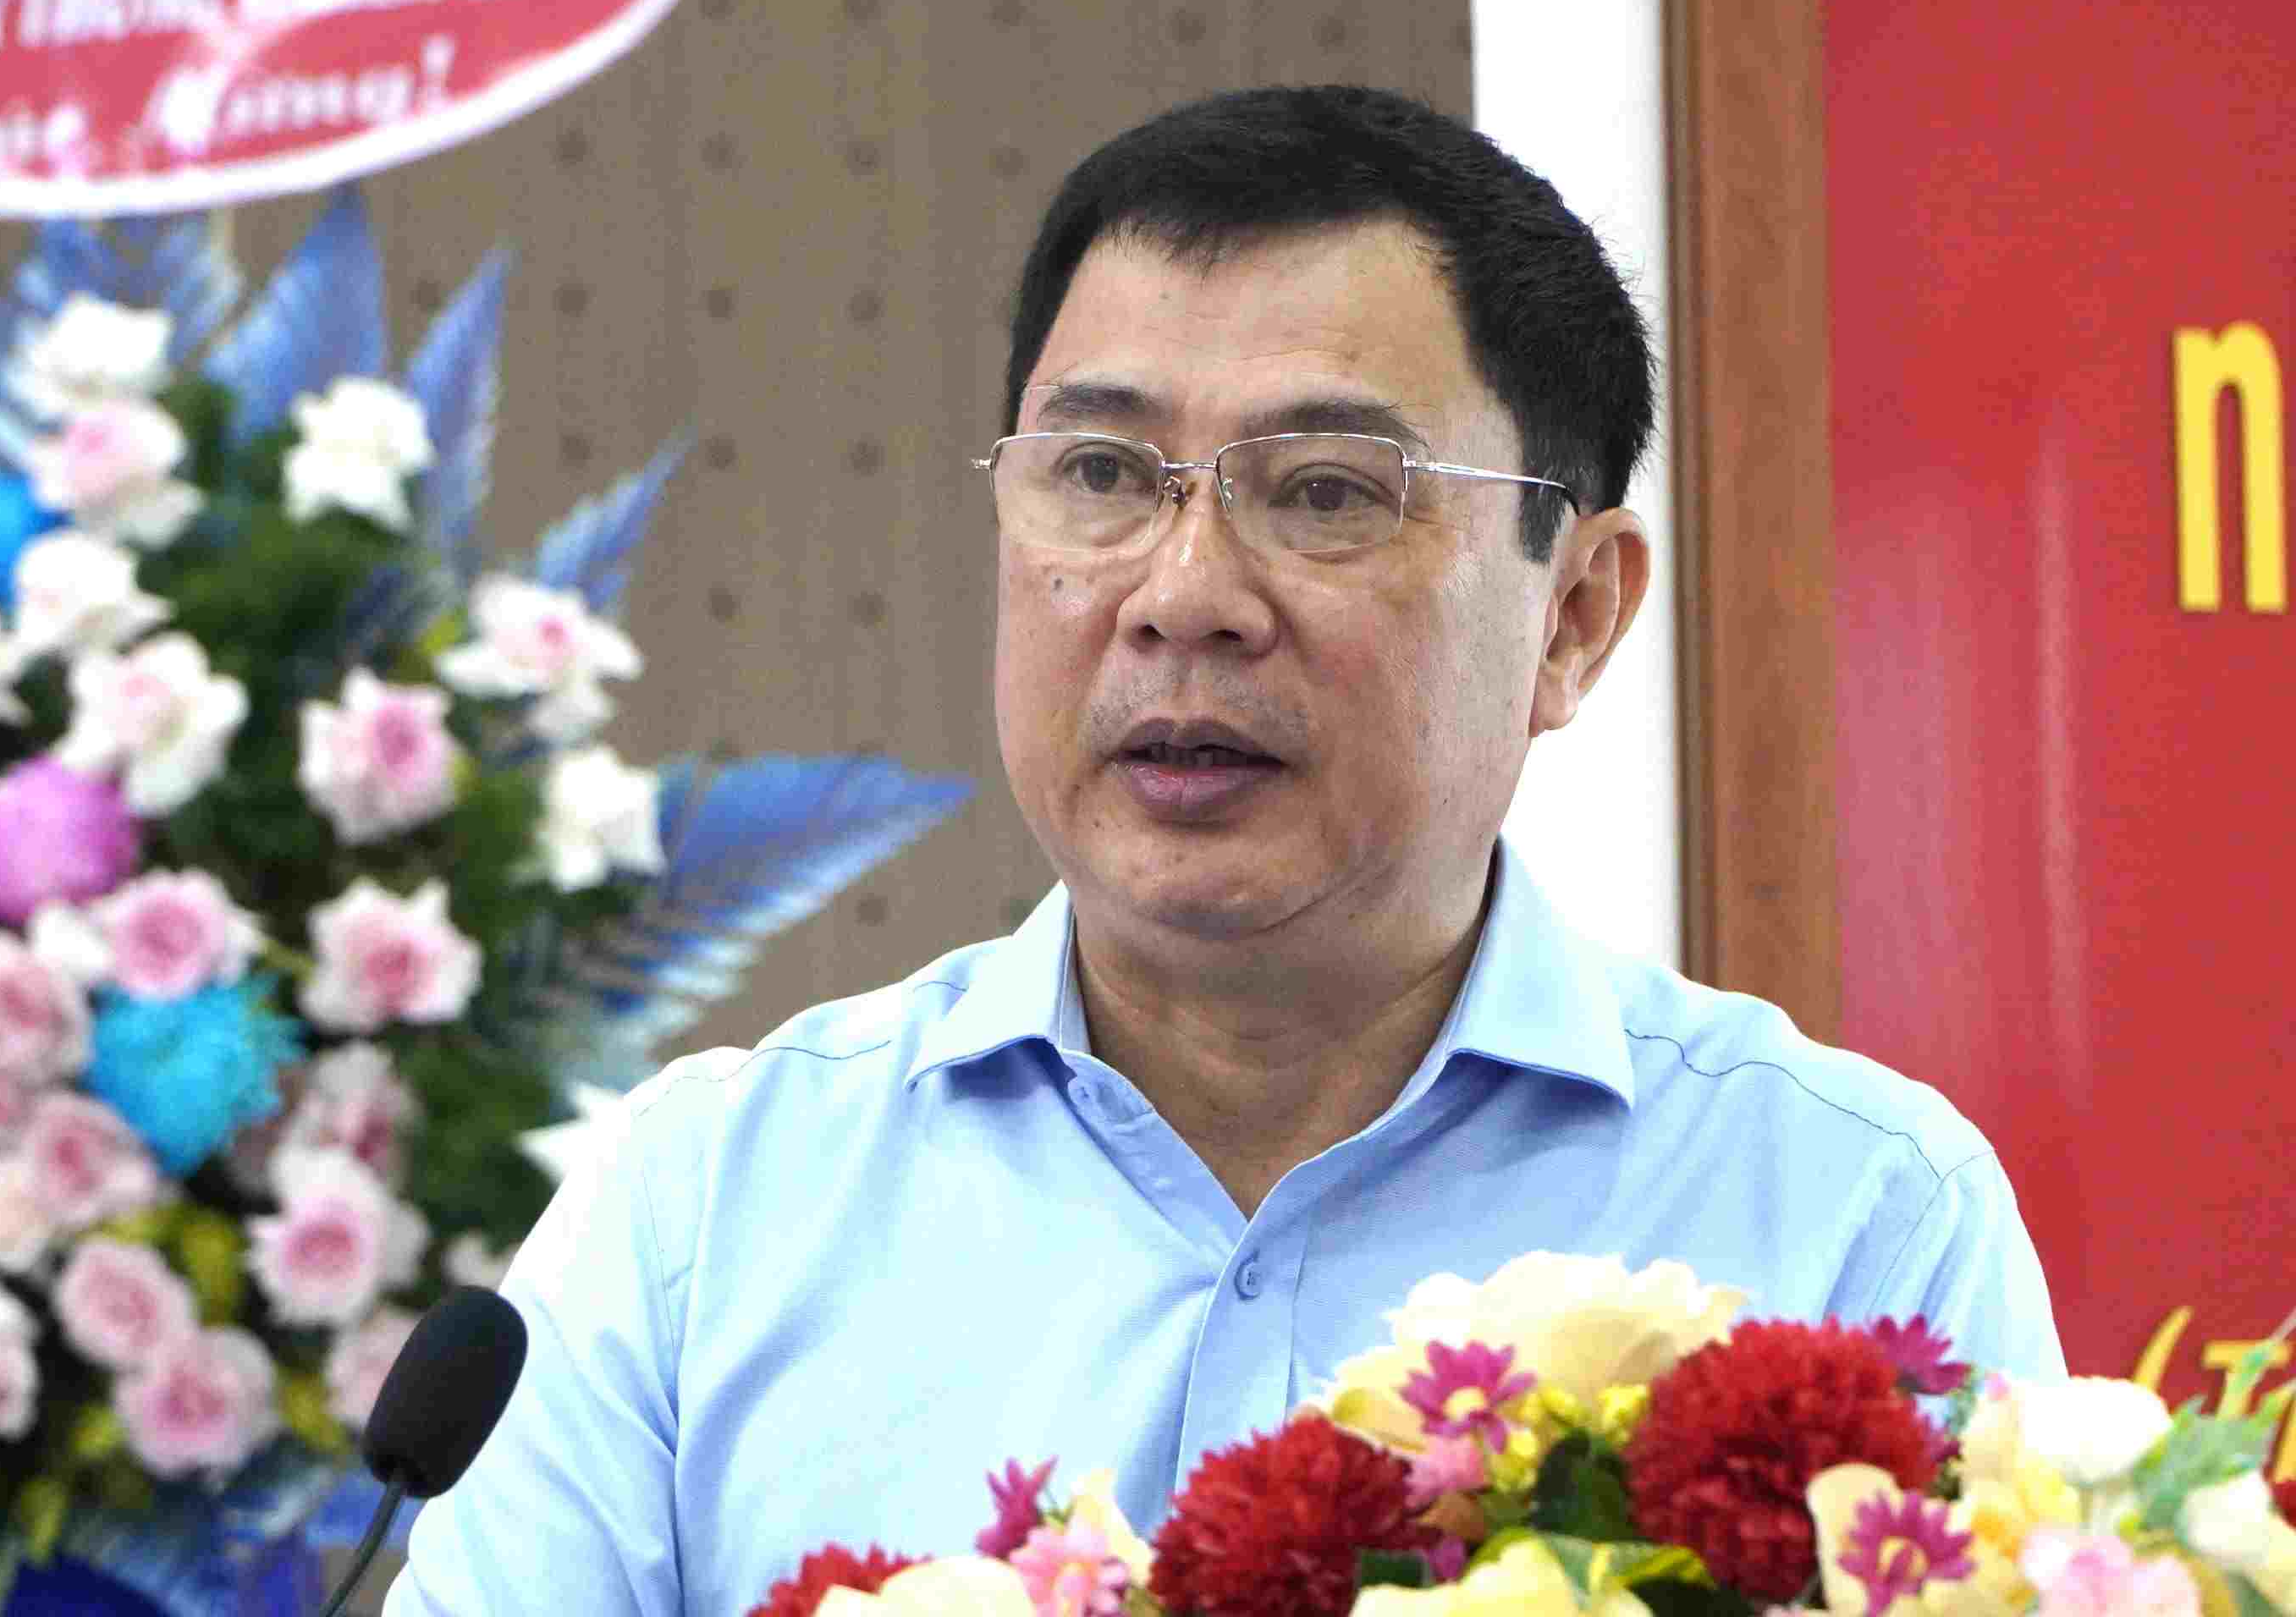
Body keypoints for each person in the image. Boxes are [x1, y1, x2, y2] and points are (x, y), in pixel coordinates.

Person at [384, 85, 2062, 1617]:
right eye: (1102, 473)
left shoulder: (1849, 1221)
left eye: (1325, 491)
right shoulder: (703, 1212)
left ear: (1572, 615)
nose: (1181, 595)